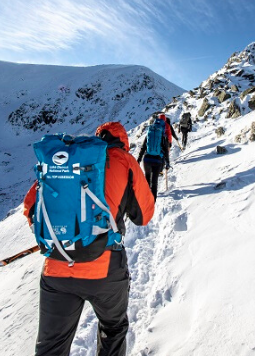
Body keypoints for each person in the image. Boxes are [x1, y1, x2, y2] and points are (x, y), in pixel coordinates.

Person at [22, 121, 155, 356]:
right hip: (104, 268)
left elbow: (31, 205)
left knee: (51, 346)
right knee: (113, 329)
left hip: (56, 266)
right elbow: (144, 216)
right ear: (123, 140)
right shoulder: (124, 160)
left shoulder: (64, 163)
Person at [137, 118, 170, 201]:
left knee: (147, 179)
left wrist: (139, 159)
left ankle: (145, 201)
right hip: (157, 161)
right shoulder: (163, 137)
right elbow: (166, 151)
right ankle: (153, 202)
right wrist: (167, 163)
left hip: (147, 159)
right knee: (154, 182)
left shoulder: (149, 134)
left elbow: (143, 147)